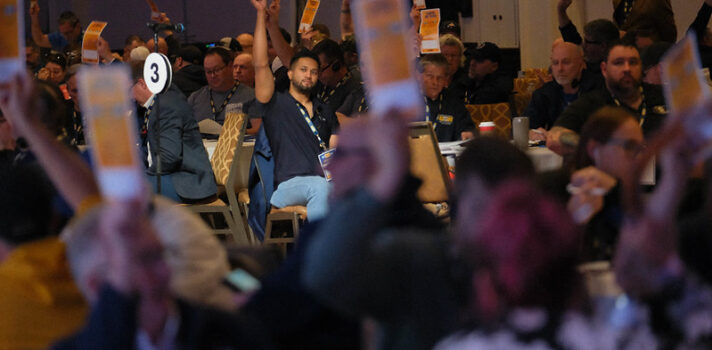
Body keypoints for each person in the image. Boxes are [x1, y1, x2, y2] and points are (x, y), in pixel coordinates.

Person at [252, 0, 339, 221]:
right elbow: (261, 64)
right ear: (290, 74)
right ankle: (320, 250)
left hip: (322, 181)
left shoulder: (325, 111)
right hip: (285, 187)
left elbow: (335, 155)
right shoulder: (277, 105)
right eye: (302, 70)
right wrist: (262, 19)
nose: (308, 75)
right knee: (319, 187)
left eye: (313, 71)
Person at [547, 41, 667, 155]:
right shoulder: (592, 103)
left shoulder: (665, 96)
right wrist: (601, 149)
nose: (627, 69)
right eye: (618, 63)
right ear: (604, 69)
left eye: (633, 62)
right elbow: (556, 135)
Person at [130, 60, 218, 203]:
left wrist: (144, 175)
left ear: (142, 83)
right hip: (177, 177)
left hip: (187, 183)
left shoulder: (165, 105)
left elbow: (169, 157)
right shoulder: (162, 100)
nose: (130, 96)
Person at [526, 41, 603, 136]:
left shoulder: (599, 89)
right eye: (555, 63)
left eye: (566, 62)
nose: (560, 69)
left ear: (581, 64)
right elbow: (526, 126)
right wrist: (531, 133)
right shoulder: (544, 93)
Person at [188, 47, 256, 125]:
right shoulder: (195, 98)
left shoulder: (250, 96)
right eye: (208, 72)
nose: (213, 75)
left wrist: (232, 132)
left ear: (230, 66)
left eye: (217, 70)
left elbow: (257, 129)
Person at [419, 54, 475, 142]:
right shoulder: (407, 101)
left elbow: (467, 128)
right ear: (419, 76)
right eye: (430, 76)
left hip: (448, 154)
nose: (435, 82)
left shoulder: (453, 101)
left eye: (440, 78)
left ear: (446, 80)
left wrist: (467, 134)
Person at [557, 0, 621, 75]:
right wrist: (561, 10)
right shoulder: (588, 63)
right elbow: (571, 36)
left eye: (588, 42)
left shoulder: (612, 74)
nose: (584, 46)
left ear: (603, 46)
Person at [312, 39, 362, 113]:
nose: (317, 75)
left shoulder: (354, 90)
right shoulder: (321, 85)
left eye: (321, 70)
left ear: (336, 65)